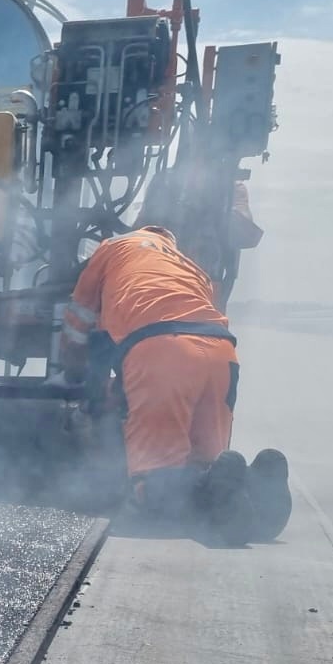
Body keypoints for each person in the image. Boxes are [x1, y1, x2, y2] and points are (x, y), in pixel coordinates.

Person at [63, 224, 290, 543]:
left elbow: (80, 318)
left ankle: (210, 514)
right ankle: (257, 490)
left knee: (153, 493)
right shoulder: (185, 264)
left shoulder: (112, 248)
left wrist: (74, 369)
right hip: (221, 354)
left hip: (164, 352)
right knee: (210, 470)